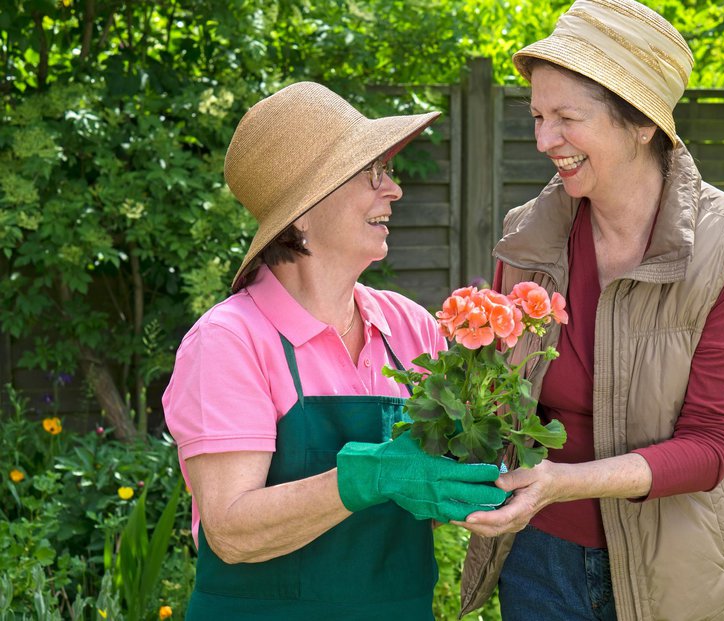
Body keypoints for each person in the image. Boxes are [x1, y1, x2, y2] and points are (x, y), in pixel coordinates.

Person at [457, 1, 724, 620]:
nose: (544, 140)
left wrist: (563, 483)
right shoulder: (527, 235)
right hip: (540, 562)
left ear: (641, 125)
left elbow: (713, 445)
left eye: (567, 118)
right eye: (538, 116)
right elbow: (502, 402)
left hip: (682, 570)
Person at [162, 82, 506, 620]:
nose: (392, 190)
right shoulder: (230, 341)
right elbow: (230, 530)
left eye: (387, 172)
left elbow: (437, 483)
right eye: (371, 174)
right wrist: (372, 475)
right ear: (302, 213)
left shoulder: (408, 326)